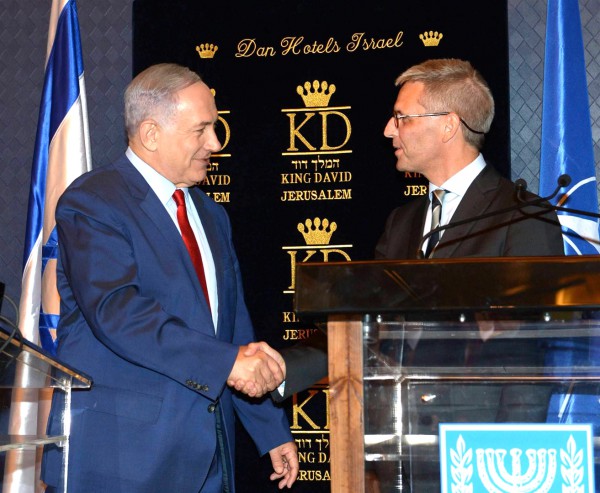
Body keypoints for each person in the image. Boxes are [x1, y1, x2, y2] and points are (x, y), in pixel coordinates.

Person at [42, 63, 298, 492]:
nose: (215, 144)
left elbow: (231, 327)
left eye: (215, 129)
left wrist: (269, 427)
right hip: (124, 458)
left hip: (207, 455)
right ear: (150, 134)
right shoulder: (93, 202)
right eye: (201, 130)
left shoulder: (212, 215)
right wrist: (230, 363)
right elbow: (118, 312)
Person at [376, 57, 564, 259]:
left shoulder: (525, 216)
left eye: (402, 118)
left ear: (448, 126)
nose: (388, 131)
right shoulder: (400, 222)